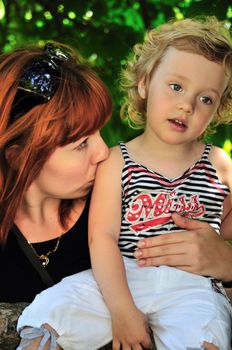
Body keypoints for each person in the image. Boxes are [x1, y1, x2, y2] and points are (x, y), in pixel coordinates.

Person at [16, 17, 232, 350]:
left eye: (206, 99)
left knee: (206, 330)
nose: (187, 105)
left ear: (219, 108)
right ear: (145, 84)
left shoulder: (220, 165)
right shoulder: (117, 162)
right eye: (176, 86)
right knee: (59, 308)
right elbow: (101, 237)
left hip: (193, 287)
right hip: (122, 277)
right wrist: (122, 309)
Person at [0, 41, 112, 302]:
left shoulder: (121, 207)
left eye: (99, 132)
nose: (104, 152)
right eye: (81, 143)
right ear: (18, 157)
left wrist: (224, 267)